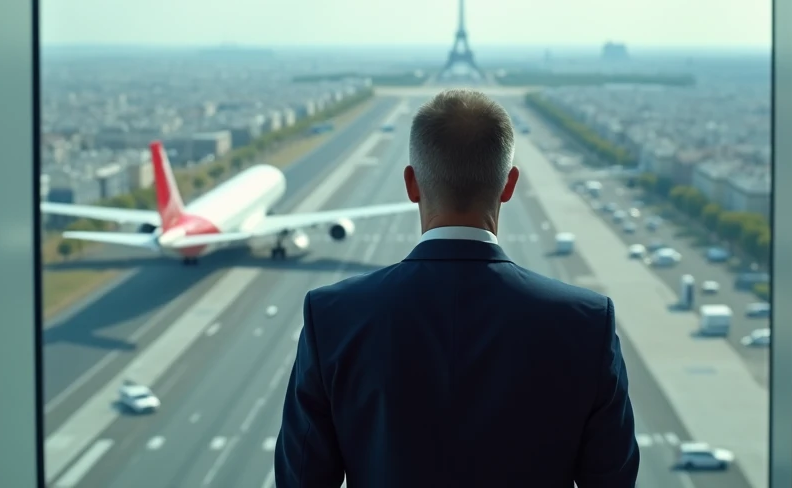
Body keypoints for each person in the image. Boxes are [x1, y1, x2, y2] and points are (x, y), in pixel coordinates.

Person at [274, 89, 639, 487]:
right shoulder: (587, 323)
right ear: (509, 185)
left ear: (411, 184)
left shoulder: (332, 317)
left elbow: (302, 480)